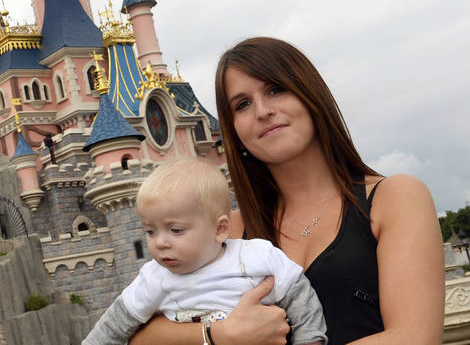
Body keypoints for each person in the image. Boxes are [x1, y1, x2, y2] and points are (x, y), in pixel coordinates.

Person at [130, 36, 445, 344]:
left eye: (276, 90)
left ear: (310, 95)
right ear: (234, 132)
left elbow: (414, 336)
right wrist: (218, 335)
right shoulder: (229, 230)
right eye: (242, 104)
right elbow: (135, 332)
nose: (263, 111)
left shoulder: (394, 199)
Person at [83, 158, 326, 345]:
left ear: (220, 229)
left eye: (175, 230)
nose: (160, 243)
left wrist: (310, 340)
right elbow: (113, 326)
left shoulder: (254, 257)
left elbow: (300, 298)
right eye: (150, 232)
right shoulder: (154, 278)